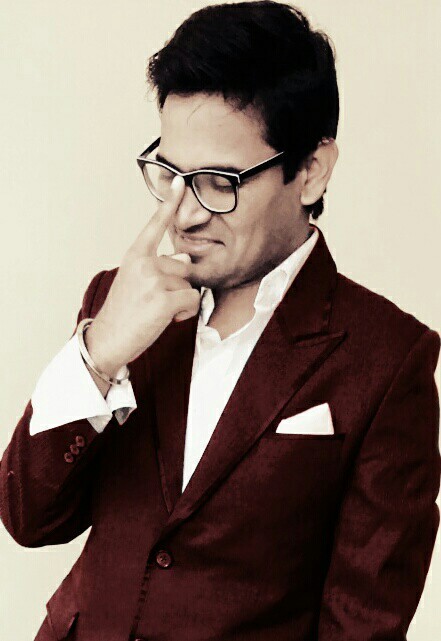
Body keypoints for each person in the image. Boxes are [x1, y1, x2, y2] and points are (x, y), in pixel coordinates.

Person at [1, 2, 439, 640]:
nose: (184, 214)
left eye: (219, 180)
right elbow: (29, 517)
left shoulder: (388, 360)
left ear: (311, 171)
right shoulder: (122, 302)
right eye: (170, 174)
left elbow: (362, 626)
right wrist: (97, 358)